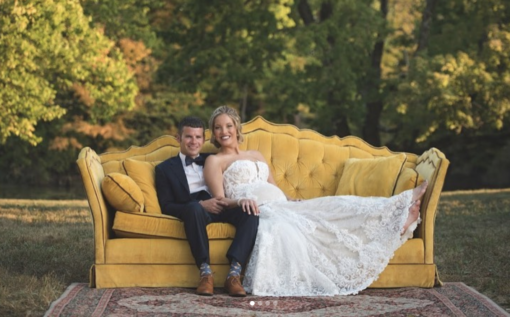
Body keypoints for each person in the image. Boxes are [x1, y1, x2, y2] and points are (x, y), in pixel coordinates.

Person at [203, 105, 428, 296]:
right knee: (290, 231)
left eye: (228, 125)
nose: (224, 131)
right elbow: (220, 200)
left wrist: (292, 199)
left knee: (336, 205)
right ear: (213, 132)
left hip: (283, 204)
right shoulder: (215, 161)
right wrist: (241, 200)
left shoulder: (256, 155)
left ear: (236, 128)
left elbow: (273, 186)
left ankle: (400, 209)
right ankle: (396, 224)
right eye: (218, 127)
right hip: (259, 210)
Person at [155, 116, 259, 297]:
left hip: (222, 205)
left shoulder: (213, 159)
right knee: (194, 209)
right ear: (178, 138)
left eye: (198, 137)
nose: (194, 142)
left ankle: (234, 274)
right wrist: (201, 205)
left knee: (250, 212)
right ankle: (205, 273)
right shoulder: (164, 169)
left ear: (204, 139)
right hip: (195, 210)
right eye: (188, 137)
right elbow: (166, 206)